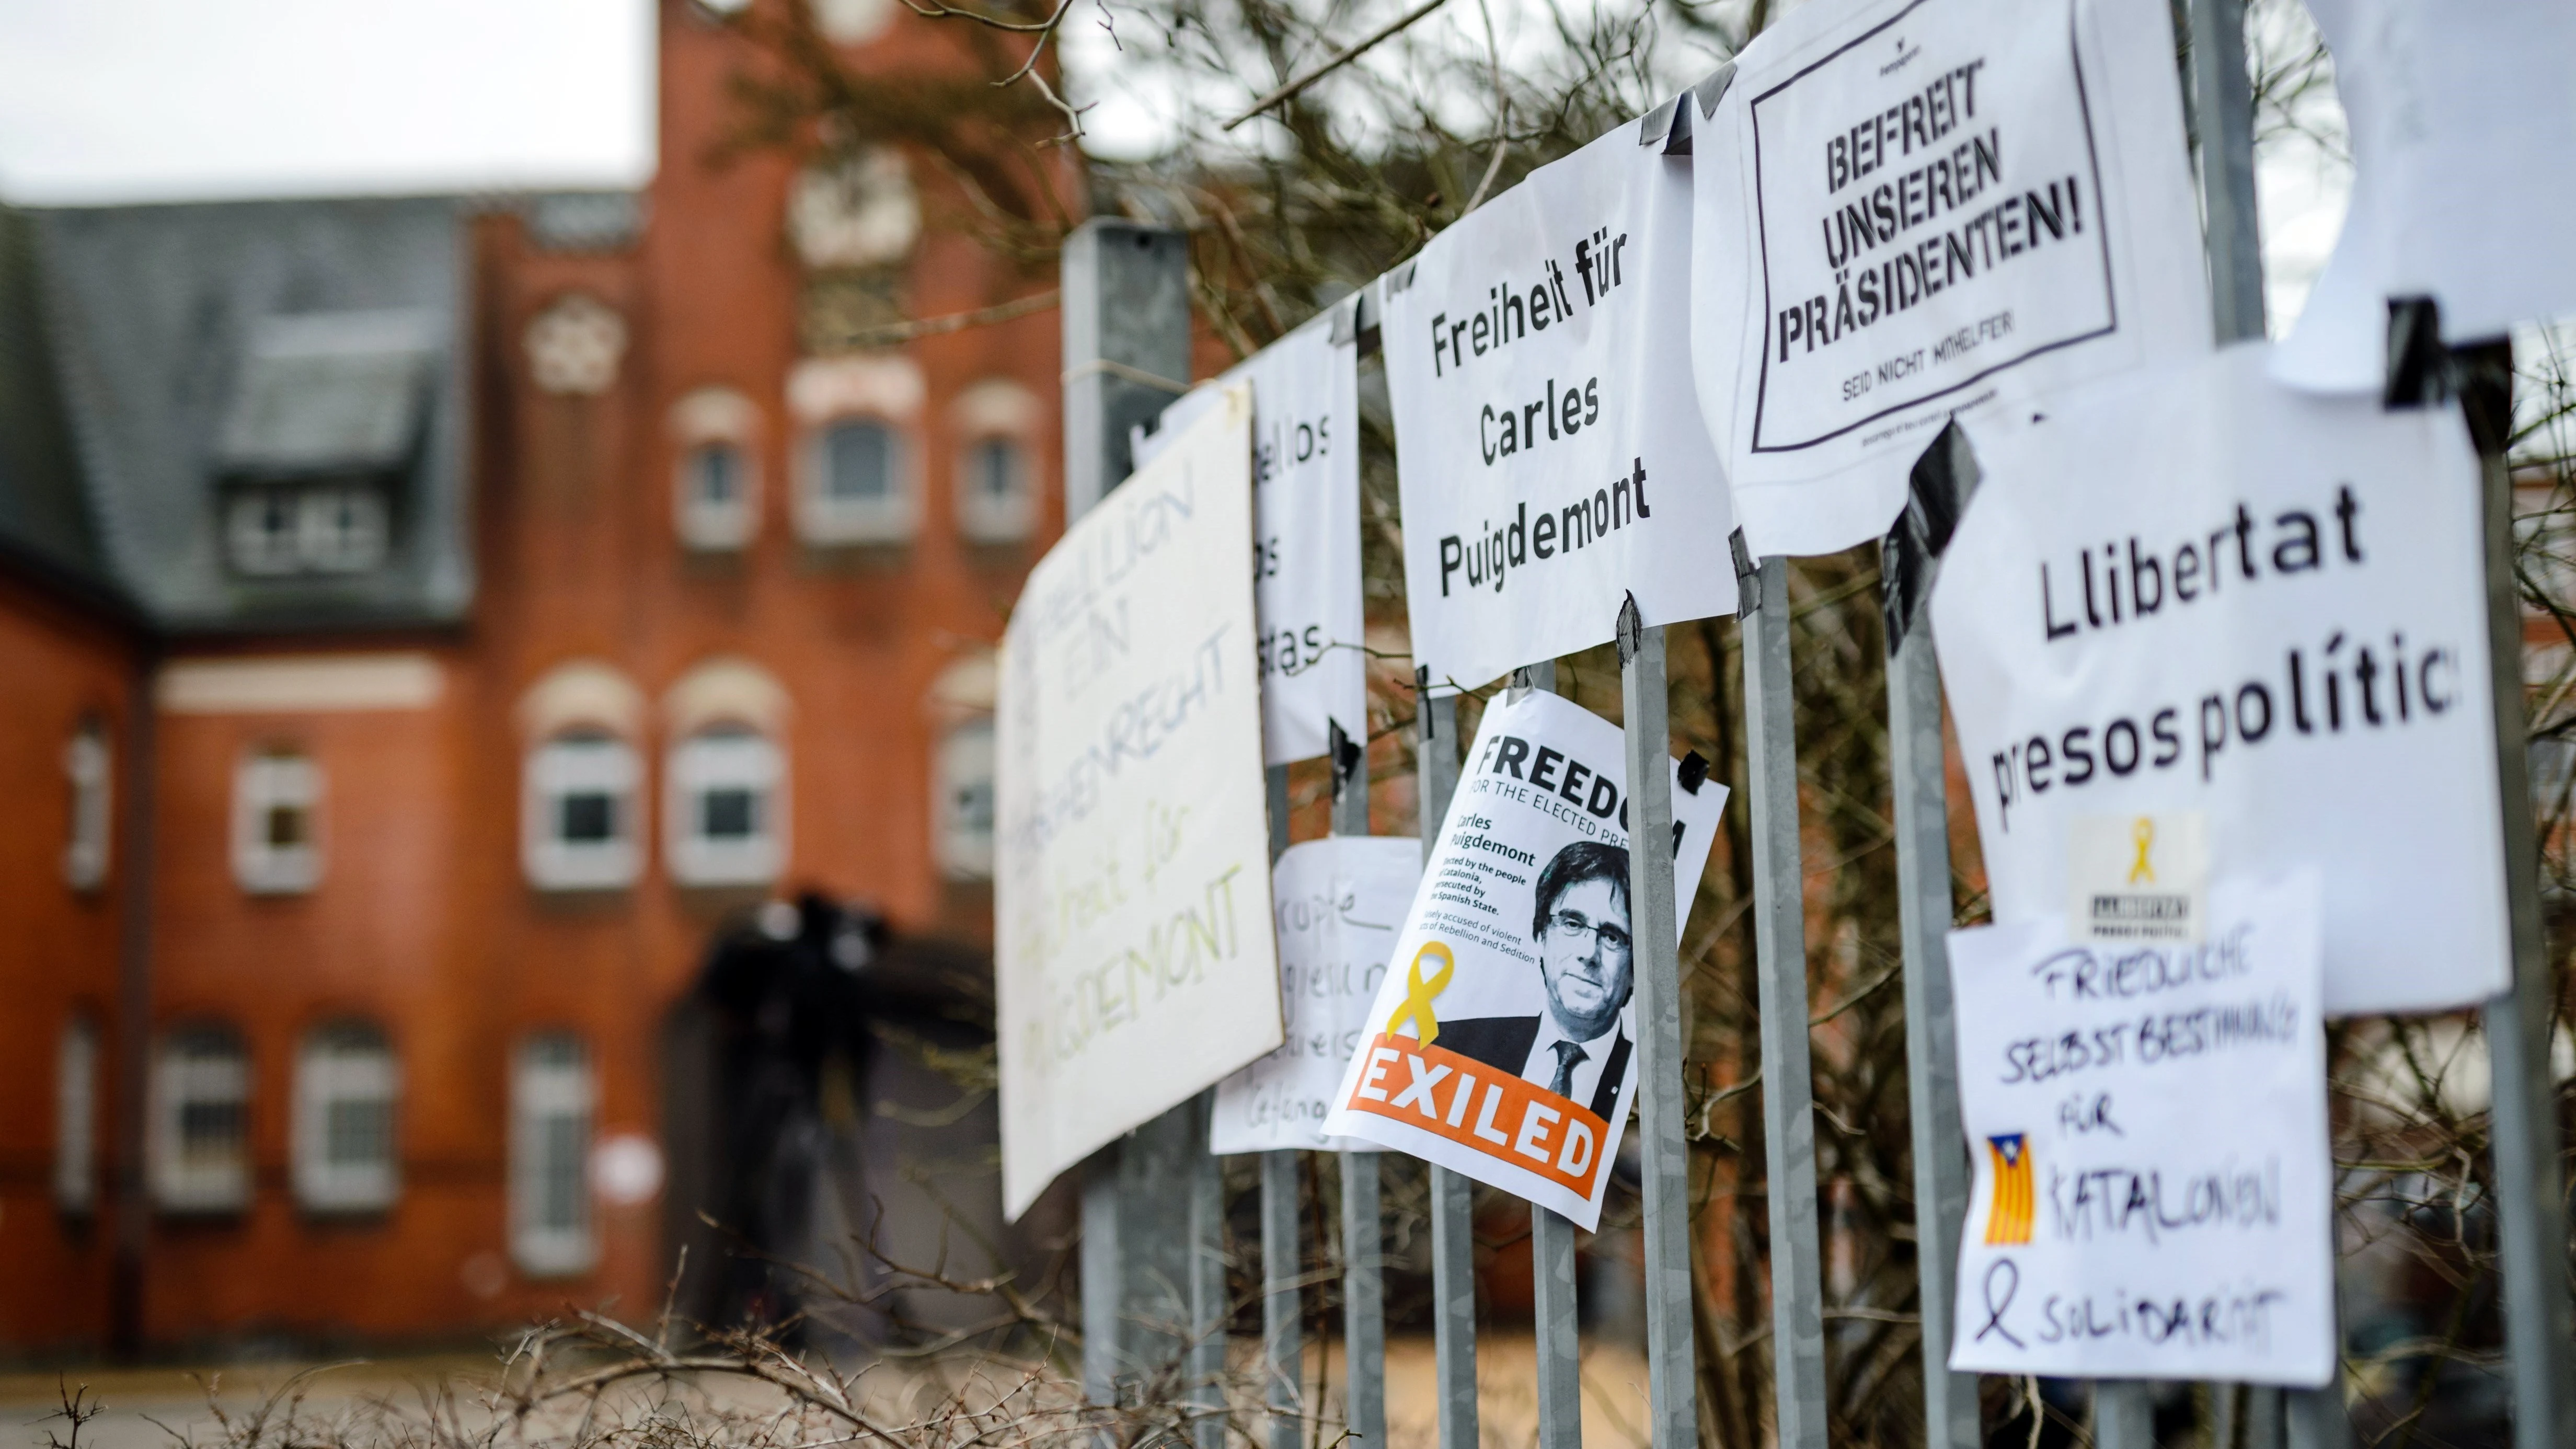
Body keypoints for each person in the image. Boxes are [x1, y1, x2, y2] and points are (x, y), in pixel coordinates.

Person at [1436, 840, 1633, 1122]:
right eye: (1573, 924)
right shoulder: (1451, 1048)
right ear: (1541, 936)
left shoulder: (1651, 1088)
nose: (1590, 954)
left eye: (1612, 937)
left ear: (1635, 969)